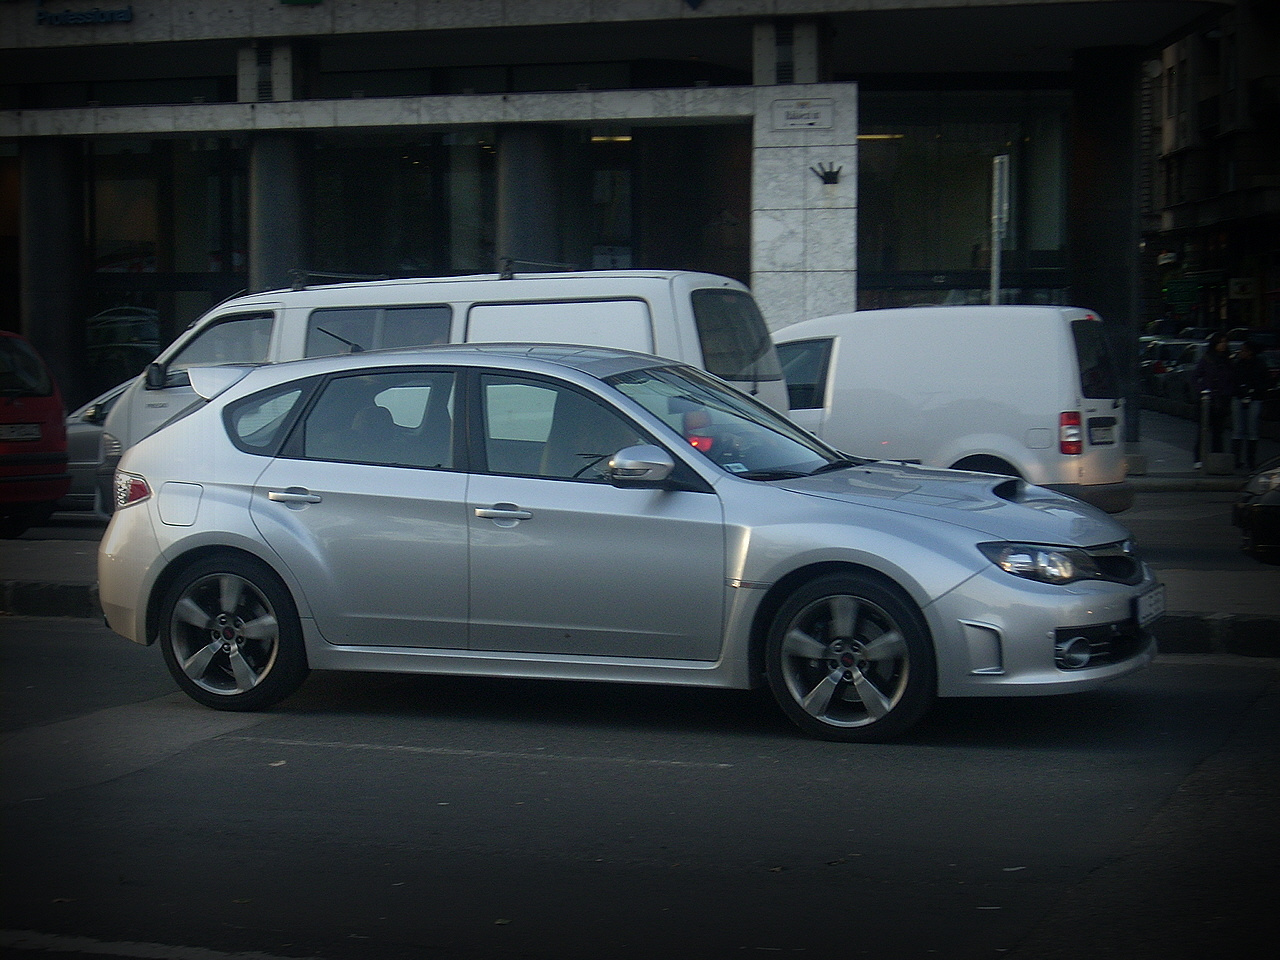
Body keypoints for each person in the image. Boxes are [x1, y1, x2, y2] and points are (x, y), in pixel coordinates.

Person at [1192, 330, 1235, 466]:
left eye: (1225, 342)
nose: (1223, 345)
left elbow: (1231, 380)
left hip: (1221, 399)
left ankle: (1217, 459)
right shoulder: (1207, 359)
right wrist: (1202, 391)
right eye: (1220, 342)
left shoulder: (1228, 360)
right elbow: (1195, 377)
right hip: (1207, 400)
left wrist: (1227, 393)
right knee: (1203, 430)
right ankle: (1198, 459)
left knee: (1218, 432)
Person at [1231, 339, 1270, 471]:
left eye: (1243, 350)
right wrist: (1240, 390)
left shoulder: (1260, 364)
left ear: (1250, 352)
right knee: (1238, 429)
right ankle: (1236, 460)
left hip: (1254, 398)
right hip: (1239, 397)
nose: (1241, 352)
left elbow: (1266, 382)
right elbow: (1233, 380)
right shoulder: (1238, 364)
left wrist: (1254, 391)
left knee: (1252, 429)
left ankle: (1250, 460)